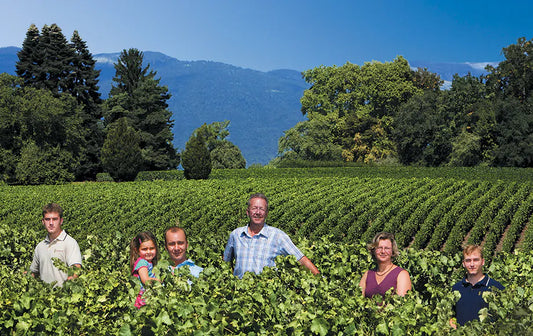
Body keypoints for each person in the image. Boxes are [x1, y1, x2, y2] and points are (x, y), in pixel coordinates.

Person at [223, 193, 320, 278]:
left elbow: (300, 259)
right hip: (239, 293)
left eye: (262, 209)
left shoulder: (277, 236)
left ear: (266, 213)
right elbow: (226, 263)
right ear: (248, 212)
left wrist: (320, 278)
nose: (257, 212)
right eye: (254, 208)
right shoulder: (236, 235)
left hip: (265, 294)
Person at [450, 245, 504, 328]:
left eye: (475, 260)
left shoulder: (496, 287)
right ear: (463, 264)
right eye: (468, 261)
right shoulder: (456, 288)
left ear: (482, 262)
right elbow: (451, 315)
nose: (472, 264)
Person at [29, 203, 82, 287]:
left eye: (54, 219)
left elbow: (76, 269)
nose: (51, 223)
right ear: (43, 222)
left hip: (63, 297)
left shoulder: (70, 243)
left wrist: (65, 291)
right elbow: (33, 272)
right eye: (47, 219)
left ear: (61, 221)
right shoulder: (40, 247)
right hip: (45, 297)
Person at [359, 232, 411, 298]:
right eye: (379, 248)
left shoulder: (402, 275)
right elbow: (359, 300)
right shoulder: (367, 275)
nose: (383, 251)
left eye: (387, 248)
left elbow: (402, 304)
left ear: (392, 251)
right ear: (374, 250)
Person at [130, 231, 160, 308]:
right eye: (144, 249)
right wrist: (161, 280)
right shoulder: (142, 262)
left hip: (148, 296)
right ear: (137, 250)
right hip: (143, 300)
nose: (148, 252)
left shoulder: (149, 262)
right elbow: (146, 280)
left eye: (152, 248)